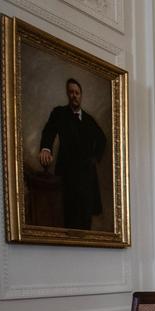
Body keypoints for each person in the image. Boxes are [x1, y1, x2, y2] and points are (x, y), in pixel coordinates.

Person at [37, 78, 106, 230]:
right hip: (67, 174)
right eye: (71, 92)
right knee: (67, 219)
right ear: (67, 94)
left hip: (87, 178)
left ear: (81, 95)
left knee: (85, 221)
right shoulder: (59, 113)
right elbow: (49, 131)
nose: (74, 95)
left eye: (77, 93)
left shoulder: (88, 120)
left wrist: (95, 157)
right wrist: (46, 148)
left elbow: (102, 139)